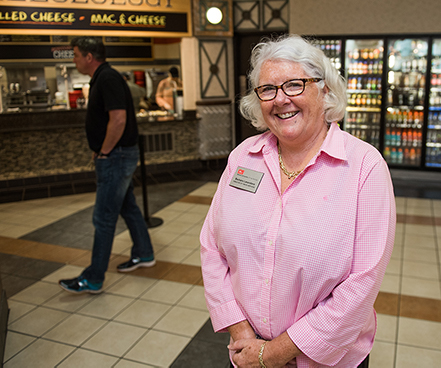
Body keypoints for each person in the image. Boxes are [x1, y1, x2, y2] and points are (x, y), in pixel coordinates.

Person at [200, 35, 395, 368]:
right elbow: (211, 247)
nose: (280, 100)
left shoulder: (365, 166)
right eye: (268, 90)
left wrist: (275, 352)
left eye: (294, 85)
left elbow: (363, 282)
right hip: (247, 350)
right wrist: (241, 331)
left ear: (325, 90)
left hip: (326, 361)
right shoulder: (243, 158)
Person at [59, 37, 156, 294]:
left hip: (116, 156)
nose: (74, 59)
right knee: (128, 207)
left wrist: (104, 151)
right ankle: (144, 253)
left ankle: (93, 278)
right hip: (116, 154)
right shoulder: (104, 77)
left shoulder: (107, 78)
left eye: (76, 54)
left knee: (103, 218)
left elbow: (119, 119)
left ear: (89, 57)